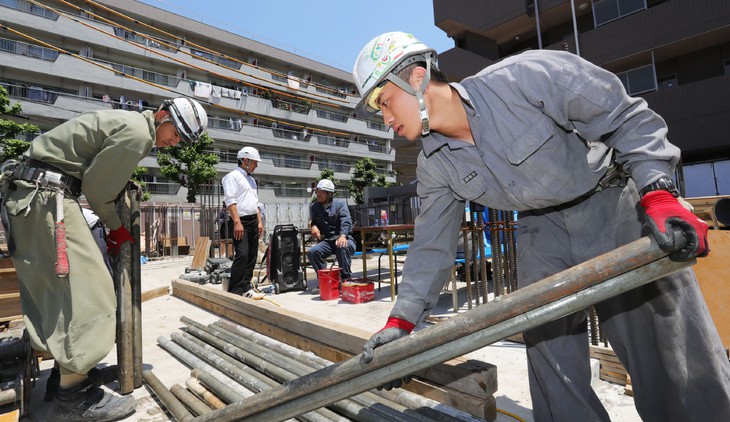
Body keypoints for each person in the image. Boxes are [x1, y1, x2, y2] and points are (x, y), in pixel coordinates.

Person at [352, 32, 730, 421]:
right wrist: (402, 322)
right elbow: (431, 247)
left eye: (384, 102)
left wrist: (658, 193)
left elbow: (626, 117)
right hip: (540, 229)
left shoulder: (525, 77)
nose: (386, 119)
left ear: (415, 79)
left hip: (610, 200)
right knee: (551, 358)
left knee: (669, 349)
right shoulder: (435, 166)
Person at [0, 97, 207, 421]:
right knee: (91, 294)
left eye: (181, 140)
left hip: (30, 195)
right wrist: (115, 227)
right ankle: (75, 398)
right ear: (163, 115)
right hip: (45, 197)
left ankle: (66, 375)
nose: (174, 141)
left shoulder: (128, 124)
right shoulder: (139, 133)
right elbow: (97, 190)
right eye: (176, 132)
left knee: (60, 294)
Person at [221, 146, 265, 299]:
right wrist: (237, 223)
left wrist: (259, 222)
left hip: (253, 221)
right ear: (245, 160)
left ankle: (246, 286)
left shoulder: (251, 180)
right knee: (242, 254)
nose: (256, 165)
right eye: (254, 162)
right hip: (241, 222)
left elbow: (255, 203)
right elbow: (230, 201)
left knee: (252, 255)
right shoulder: (231, 177)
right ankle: (235, 289)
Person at [307, 179, 356, 293]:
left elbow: (346, 221)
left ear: (329, 194)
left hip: (345, 239)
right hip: (328, 241)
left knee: (341, 246)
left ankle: (346, 281)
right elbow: (313, 221)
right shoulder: (315, 207)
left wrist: (343, 235)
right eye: (317, 191)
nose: (318, 194)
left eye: (321, 191)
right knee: (313, 252)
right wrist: (313, 226)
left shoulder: (340, 204)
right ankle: (327, 281)